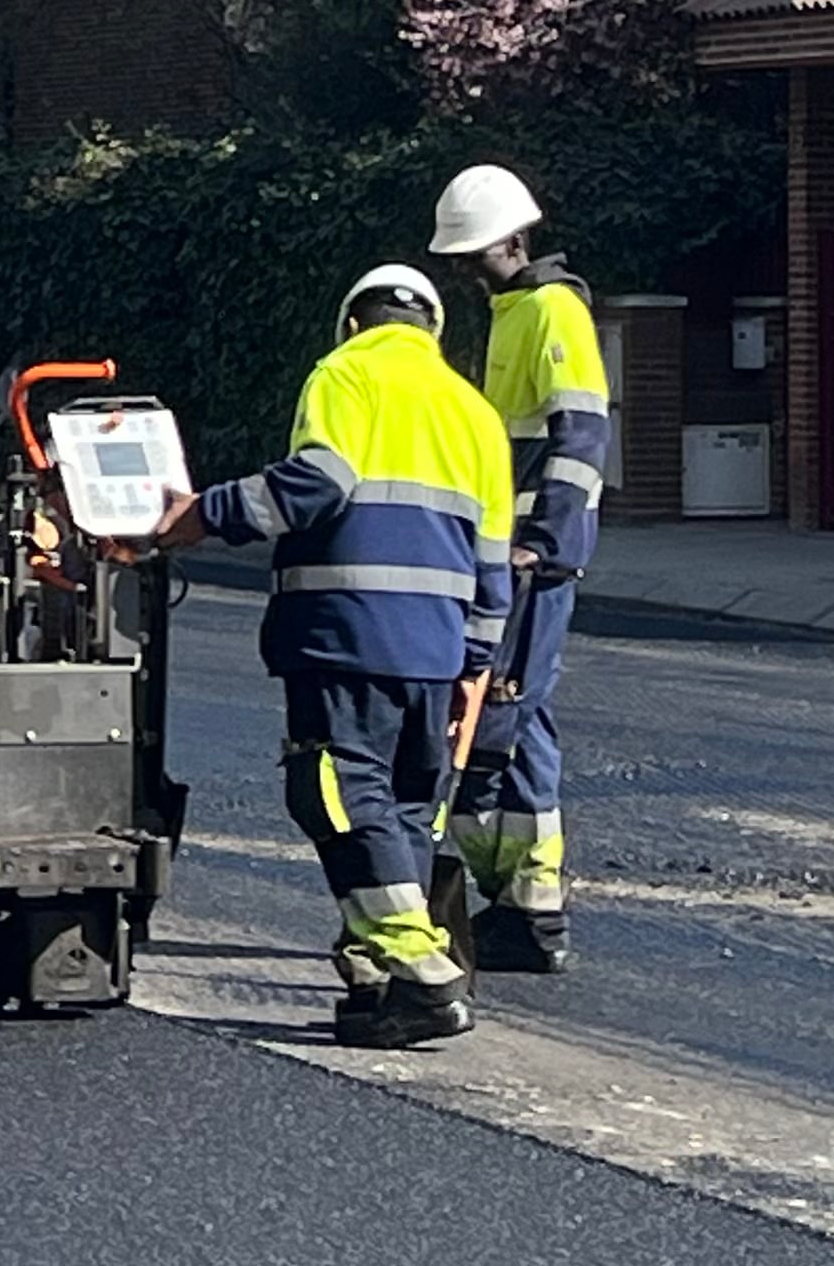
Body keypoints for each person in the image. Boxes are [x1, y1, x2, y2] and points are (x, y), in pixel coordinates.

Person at [152, 263, 513, 1049]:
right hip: (435, 649)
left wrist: (200, 516)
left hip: (345, 631)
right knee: (407, 807)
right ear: (432, 331)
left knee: (339, 794)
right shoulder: (474, 410)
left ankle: (421, 970)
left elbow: (317, 483)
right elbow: (493, 560)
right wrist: (472, 664)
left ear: (352, 323)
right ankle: (382, 982)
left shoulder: (344, 373)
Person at [430, 163, 609, 974]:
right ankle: (523, 906)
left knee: (504, 711)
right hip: (515, 549)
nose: (468, 272)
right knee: (517, 714)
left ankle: (527, 903)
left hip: (534, 555)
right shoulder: (515, 311)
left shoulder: (550, 310)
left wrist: (546, 540)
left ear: (513, 239)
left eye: (477, 255)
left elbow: (579, 438)